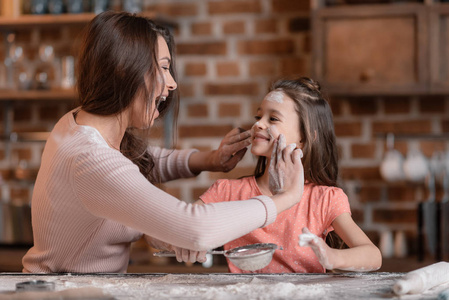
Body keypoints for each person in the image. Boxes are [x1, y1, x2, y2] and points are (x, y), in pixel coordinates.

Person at [21, 11, 304, 273]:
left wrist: (211, 160)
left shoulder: (77, 123)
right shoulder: (88, 158)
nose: (172, 83)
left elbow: (141, 162)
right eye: (164, 68)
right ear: (124, 69)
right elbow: (196, 227)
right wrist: (283, 198)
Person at [198, 77, 382, 273]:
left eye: (273, 119)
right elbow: (183, 226)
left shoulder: (324, 199)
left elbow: (373, 256)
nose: (258, 124)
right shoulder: (227, 192)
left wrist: (332, 256)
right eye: (258, 117)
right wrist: (192, 242)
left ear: (305, 138)